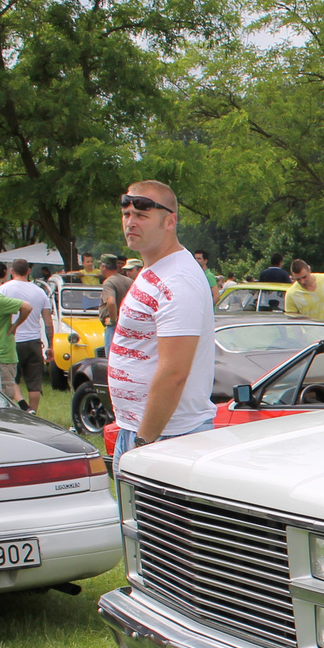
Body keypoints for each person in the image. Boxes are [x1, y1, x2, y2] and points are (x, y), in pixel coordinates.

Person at [105, 180, 217, 469]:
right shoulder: (154, 269)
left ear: (170, 221)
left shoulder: (178, 280)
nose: (131, 222)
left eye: (142, 215)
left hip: (168, 439)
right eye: (126, 214)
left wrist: (143, 443)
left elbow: (174, 372)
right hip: (142, 433)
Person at [0, 258, 53, 413]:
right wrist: (50, 345)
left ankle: (22, 405)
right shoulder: (40, 291)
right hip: (34, 341)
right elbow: (48, 321)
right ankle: (33, 412)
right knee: (34, 382)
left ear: (11, 271)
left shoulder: (3, 289)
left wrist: (15, 325)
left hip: (13, 340)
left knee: (11, 379)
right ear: (29, 271)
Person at [0, 263, 34, 407]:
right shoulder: (0, 299)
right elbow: (27, 307)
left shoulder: (3, 292)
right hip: (4, 351)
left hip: (4, 351)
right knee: (6, 396)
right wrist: (16, 324)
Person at [285, 259, 324, 332]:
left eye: (304, 277)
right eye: (298, 279)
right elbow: (294, 324)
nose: (302, 281)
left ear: (309, 269)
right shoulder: (291, 294)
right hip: (310, 338)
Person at [98, 254, 133, 355]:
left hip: (114, 326)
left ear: (104, 267)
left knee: (110, 358)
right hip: (127, 324)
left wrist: (113, 320)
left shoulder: (109, 282)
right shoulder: (129, 281)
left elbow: (111, 302)